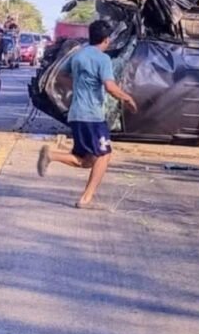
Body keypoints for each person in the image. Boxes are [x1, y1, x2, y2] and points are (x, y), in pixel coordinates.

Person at [37, 19, 138, 208]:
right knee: (104, 155)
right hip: (92, 116)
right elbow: (110, 87)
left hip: (76, 114)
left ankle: (51, 155)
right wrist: (127, 99)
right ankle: (86, 199)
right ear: (106, 39)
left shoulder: (78, 56)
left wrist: (78, 87)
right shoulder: (102, 59)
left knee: (87, 160)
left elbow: (62, 75)